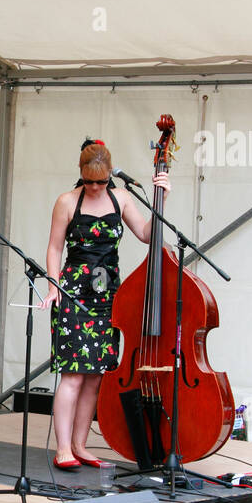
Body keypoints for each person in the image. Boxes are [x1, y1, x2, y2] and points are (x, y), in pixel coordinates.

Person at [38, 139, 170, 470]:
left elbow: (145, 233)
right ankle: (63, 447)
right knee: (73, 373)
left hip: (108, 290)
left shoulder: (121, 198)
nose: (95, 187)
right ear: (81, 175)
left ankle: (81, 444)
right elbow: (54, 248)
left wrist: (160, 202)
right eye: (89, 181)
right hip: (73, 291)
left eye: (101, 181)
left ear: (110, 174)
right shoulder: (67, 201)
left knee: (96, 374)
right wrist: (54, 284)